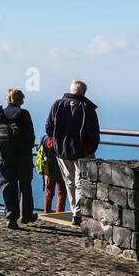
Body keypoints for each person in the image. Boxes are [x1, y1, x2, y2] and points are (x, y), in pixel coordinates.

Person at [44, 80, 101, 226]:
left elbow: (49, 126)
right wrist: (92, 147)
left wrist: (56, 141)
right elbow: (94, 132)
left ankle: (75, 211)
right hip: (82, 150)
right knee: (80, 181)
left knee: (69, 182)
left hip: (61, 150)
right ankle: (78, 214)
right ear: (83, 92)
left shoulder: (57, 104)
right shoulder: (87, 107)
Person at [0, 89, 38, 228]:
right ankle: (26, 215)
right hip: (22, 156)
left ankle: (11, 218)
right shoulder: (23, 114)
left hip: (4, 157)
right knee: (25, 185)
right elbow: (31, 137)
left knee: (7, 185)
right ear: (20, 100)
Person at [39, 138, 67, 214]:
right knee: (62, 194)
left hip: (49, 171)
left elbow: (39, 148)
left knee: (49, 193)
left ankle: (47, 212)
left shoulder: (44, 139)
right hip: (62, 171)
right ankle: (60, 212)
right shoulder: (62, 138)